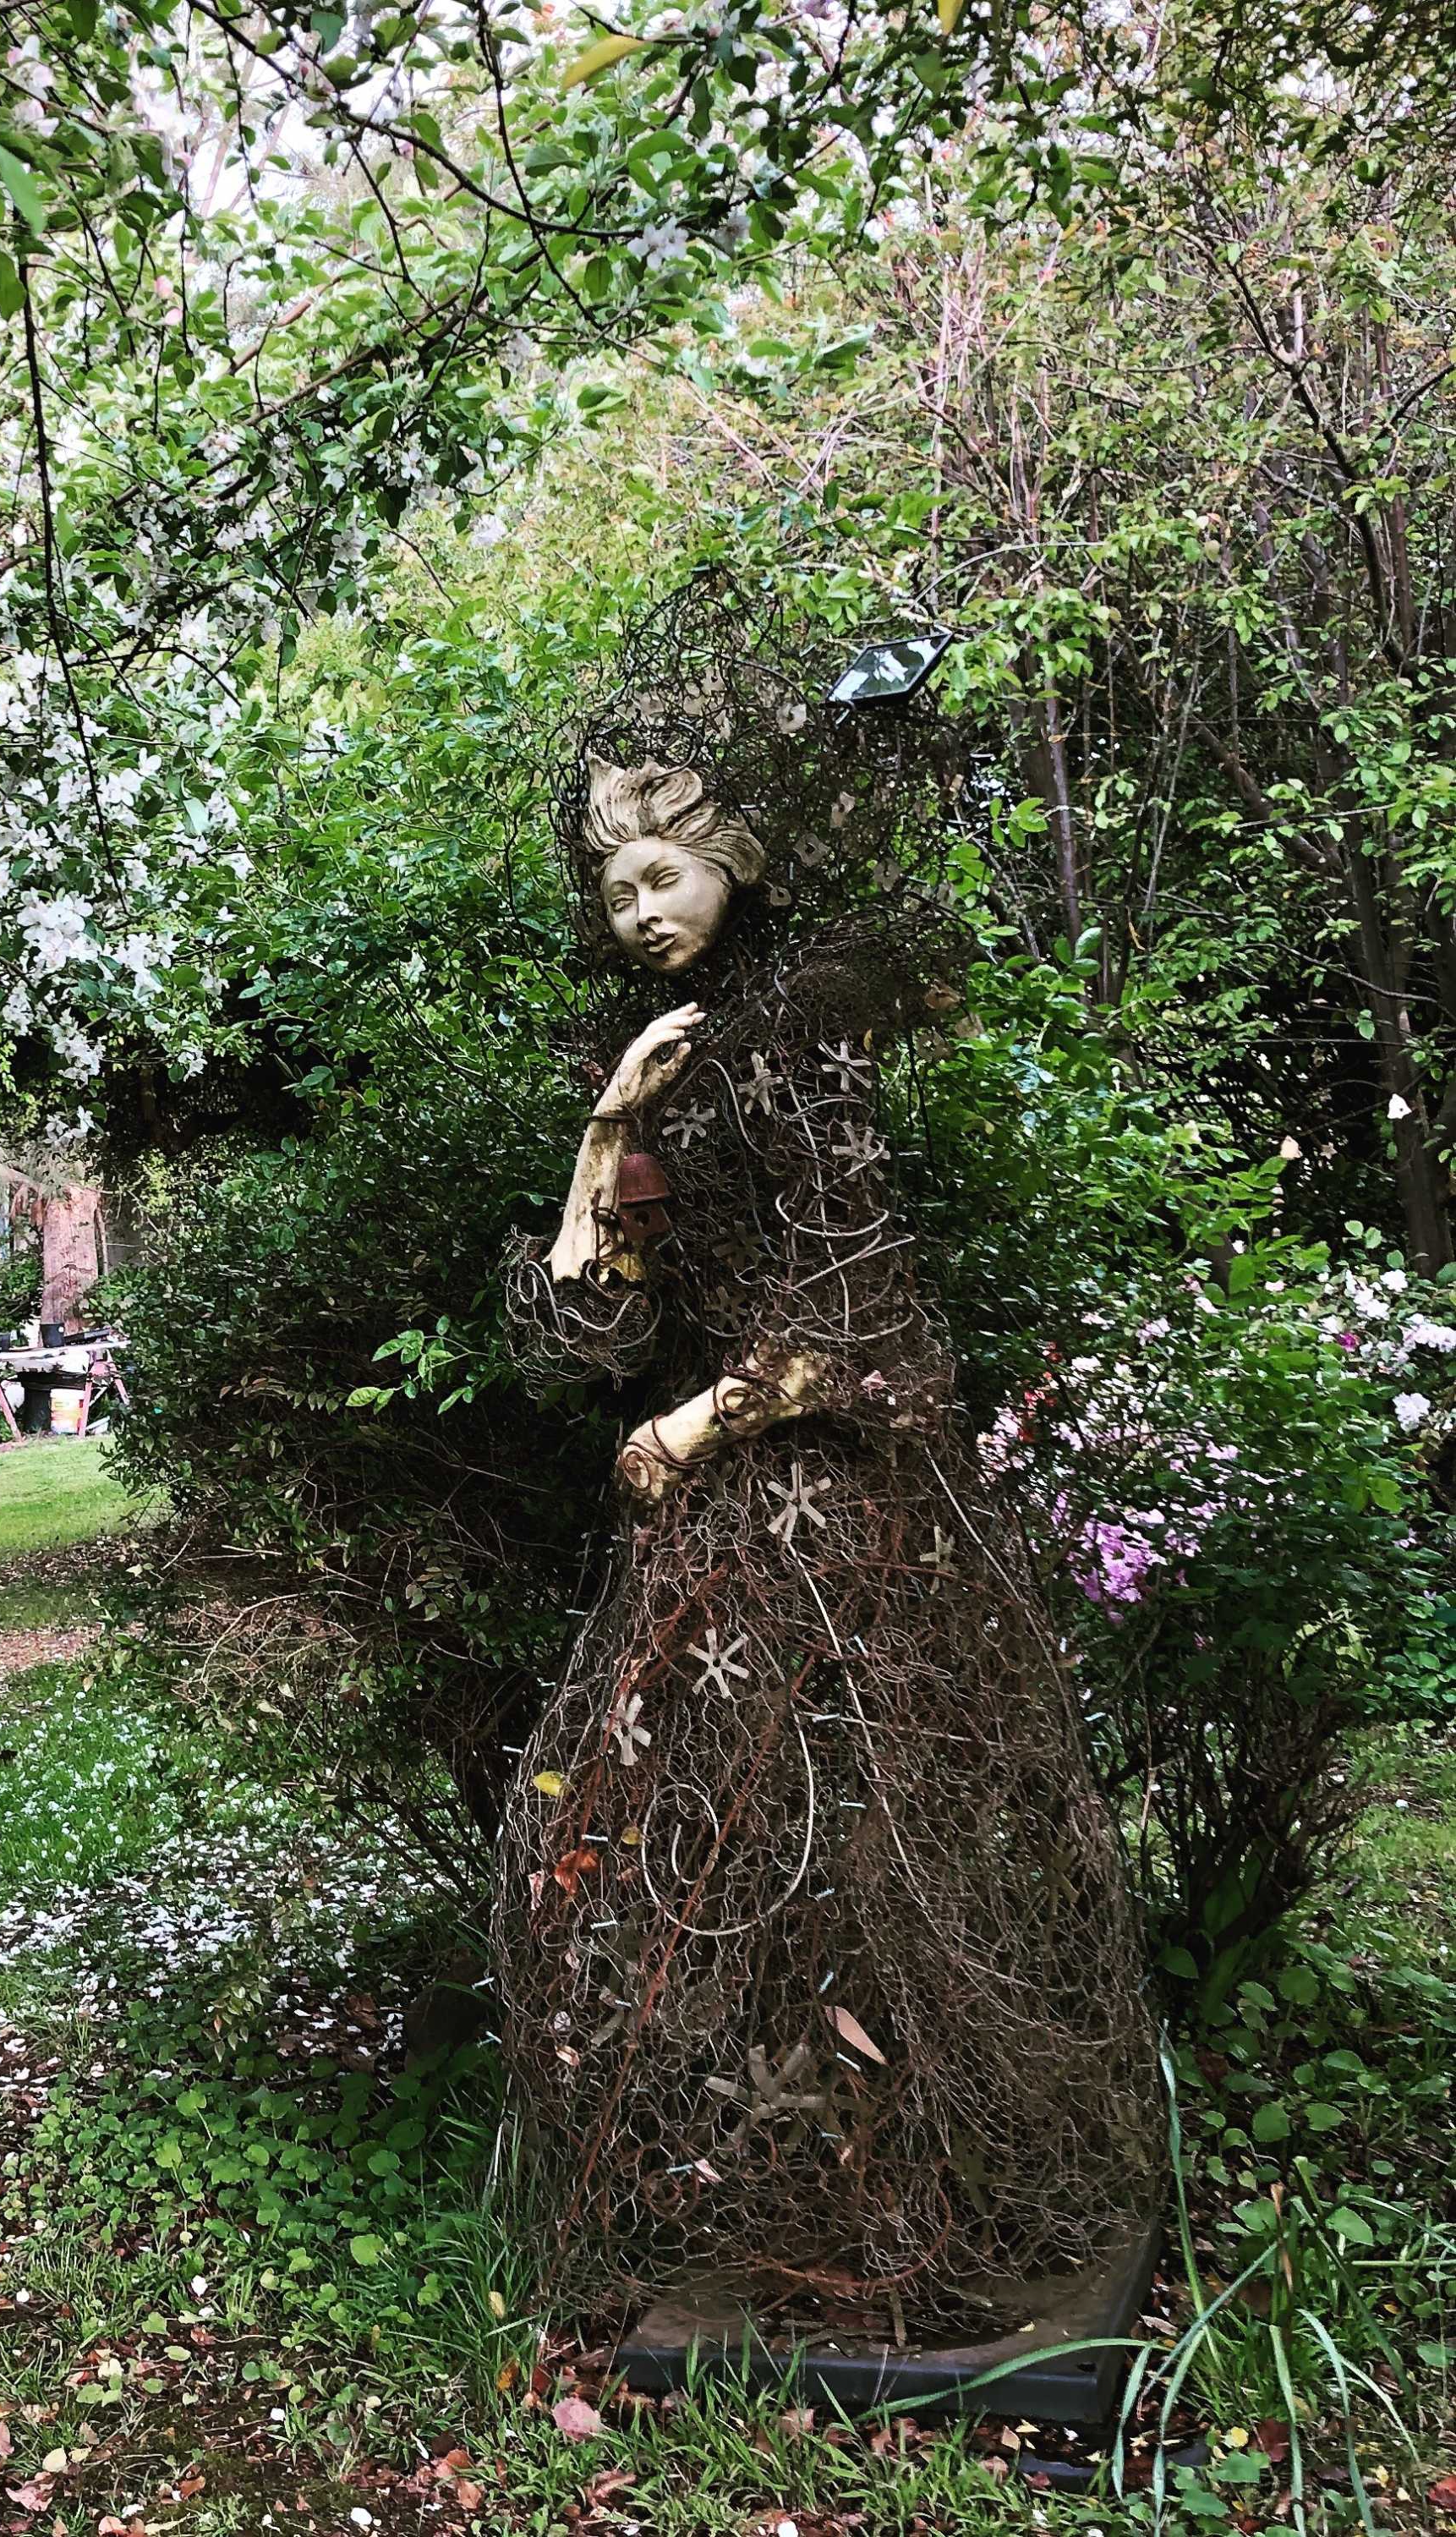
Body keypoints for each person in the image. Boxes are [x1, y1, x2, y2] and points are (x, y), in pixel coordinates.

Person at [494, 742, 1158, 2326]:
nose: (643, 913)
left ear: (735, 868)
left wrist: (691, 1424)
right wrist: (604, 1130)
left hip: (841, 1514)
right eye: (617, 892)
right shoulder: (670, 1059)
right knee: (732, 1872)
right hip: (727, 1537)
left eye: (667, 875)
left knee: (872, 1850)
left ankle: (926, 2201)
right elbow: (583, 1333)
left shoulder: (799, 1045)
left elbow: (862, 1327)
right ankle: (809, 2195)